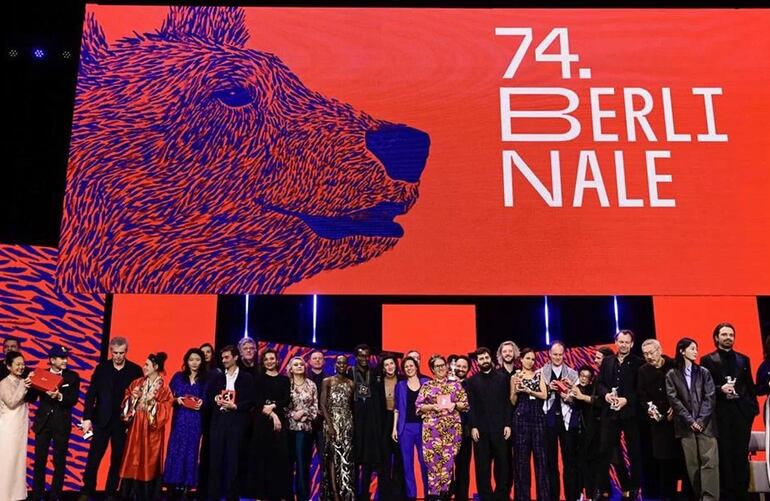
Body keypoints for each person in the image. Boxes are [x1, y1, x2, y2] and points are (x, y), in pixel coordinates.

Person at [80, 336, 143, 500]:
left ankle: (110, 493)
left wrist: (133, 420)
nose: (118, 356)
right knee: (94, 457)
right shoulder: (102, 368)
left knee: (117, 459)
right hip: (101, 420)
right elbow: (91, 393)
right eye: (115, 353)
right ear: (111, 351)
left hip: (122, 423)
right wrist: (87, 417)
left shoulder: (135, 370)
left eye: (121, 353)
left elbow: (139, 398)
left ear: (126, 352)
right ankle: (87, 490)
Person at [701, 322, 758, 501]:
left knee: (741, 454)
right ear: (716, 337)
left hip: (742, 414)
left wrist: (752, 409)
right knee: (724, 454)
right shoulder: (707, 360)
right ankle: (727, 493)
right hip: (721, 414)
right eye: (724, 334)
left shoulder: (743, 359)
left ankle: (743, 493)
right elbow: (705, 386)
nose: (728, 338)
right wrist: (720, 389)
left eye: (731, 335)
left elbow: (749, 386)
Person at [666, 338, 719, 501]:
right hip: (685, 426)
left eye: (696, 348)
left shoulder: (704, 372)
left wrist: (701, 421)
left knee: (710, 462)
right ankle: (699, 496)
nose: (696, 352)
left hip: (706, 425)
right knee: (692, 465)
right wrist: (690, 421)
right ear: (682, 351)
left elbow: (710, 397)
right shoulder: (672, 374)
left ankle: (709, 498)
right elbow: (673, 400)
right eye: (692, 348)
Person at [594, 330, 643, 501]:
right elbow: (599, 383)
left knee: (634, 452)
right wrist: (606, 394)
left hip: (630, 414)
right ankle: (602, 490)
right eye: (620, 341)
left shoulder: (638, 363)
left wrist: (626, 400)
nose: (623, 345)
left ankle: (635, 489)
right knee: (604, 451)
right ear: (616, 342)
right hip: (610, 413)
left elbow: (640, 390)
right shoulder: (607, 362)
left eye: (626, 342)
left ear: (632, 344)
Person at [118, 352, 174, 500]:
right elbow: (126, 404)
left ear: (155, 367)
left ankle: (146, 495)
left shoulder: (164, 389)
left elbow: (165, 409)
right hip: (136, 426)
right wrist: (133, 398)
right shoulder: (137, 383)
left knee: (149, 461)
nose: (144, 367)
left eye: (147, 365)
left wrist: (152, 403)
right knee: (132, 457)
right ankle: (129, 494)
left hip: (152, 430)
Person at [30, 345, 81, 501]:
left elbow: (73, 400)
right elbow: (32, 398)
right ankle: (38, 494)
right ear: (52, 360)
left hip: (61, 424)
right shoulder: (41, 374)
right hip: (43, 423)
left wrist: (59, 396)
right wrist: (30, 383)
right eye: (61, 358)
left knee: (59, 461)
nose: (65, 361)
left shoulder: (72, 377)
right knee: (39, 460)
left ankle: (55, 495)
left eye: (66, 358)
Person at [416, 354, 469, 500]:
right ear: (432, 369)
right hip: (432, 432)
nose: (441, 368)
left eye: (442, 365)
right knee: (433, 465)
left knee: (447, 465)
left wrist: (455, 405)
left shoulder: (455, 385)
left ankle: (445, 494)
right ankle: (433, 496)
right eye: (437, 366)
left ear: (447, 366)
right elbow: (419, 406)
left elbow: (465, 404)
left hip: (451, 432)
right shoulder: (427, 386)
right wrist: (433, 406)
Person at [206, 345, 255, 501]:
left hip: (237, 421)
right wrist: (215, 399)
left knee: (233, 461)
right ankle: (213, 496)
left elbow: (251, 401)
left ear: (235, 357)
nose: (224, 360)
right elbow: (209, 397)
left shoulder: (246, 378)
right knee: (215, 460)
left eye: (227, 357)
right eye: (222, 358)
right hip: (219, 421)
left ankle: (231, 497)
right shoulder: (217, 377)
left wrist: (236, 406)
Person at [637, 338, 683, 501]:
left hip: (679, 422)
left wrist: (676, 408)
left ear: (660, 350)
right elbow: (641, 395)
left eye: (651, 352)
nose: (649, 356)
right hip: (659, 424)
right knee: (664, 464)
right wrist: (649, 409)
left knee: (684, 462)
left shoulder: (674, 364)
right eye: (645, 354)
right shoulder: (643, 371)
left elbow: (684, 389)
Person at [466, 347, 511, 501]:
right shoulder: (472, 381)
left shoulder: (502, 377)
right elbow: (470, 406)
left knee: (502, 466)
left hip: (500, 429)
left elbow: (507, 403)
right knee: (482, 468)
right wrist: (473, 427)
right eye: (481, 359)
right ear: (477, 362)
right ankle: (486, 497)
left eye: (486, 357)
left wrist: (508, 424)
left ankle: (501, 496)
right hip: (481, 431)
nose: (484, 360)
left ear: (490, 358)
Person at [163, 348, 207, 497]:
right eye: (191, 359)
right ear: (186, 361)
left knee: (191, 451)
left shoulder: (206, 379)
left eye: (198, 359)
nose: (194, 363)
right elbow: (167, 396)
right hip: (180, 418)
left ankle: (188, 486)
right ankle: (172, 484)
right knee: (176, 449)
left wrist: (203, 402)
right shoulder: (178, 377)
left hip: (195, 420)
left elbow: (210, 398)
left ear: (202, 362)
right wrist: (177, 400)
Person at [250, 348, 292, 500]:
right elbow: (257, 400)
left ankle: (277, 494)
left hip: (279, 421)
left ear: (277, 361)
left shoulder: (284, 380)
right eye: (266, 359)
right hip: (262, 421)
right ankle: (260, 494)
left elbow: (286, 399)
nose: (269, 361)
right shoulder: (258, 379)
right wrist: (272, 414)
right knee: (262, 456)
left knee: (279, 458)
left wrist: (273, 407)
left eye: (272, 359)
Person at [510, 347, 550, 501]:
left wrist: (529, 391)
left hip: (537, 416)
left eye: (533, 359)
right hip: (520, 416)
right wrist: (516, 390)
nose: (530, 361)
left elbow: (544, 395)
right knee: (521, 461)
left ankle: (544, 497)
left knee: (541, 459)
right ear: (521, 359)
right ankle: (522, 497)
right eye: (528, 358)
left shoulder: (539, 375)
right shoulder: (515, 376)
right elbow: (512, 400)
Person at [541, 341, 579, 501]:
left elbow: (578, 399)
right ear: (549, 354)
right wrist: (548, 389)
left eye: (560, 354)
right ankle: (553, 497)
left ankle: (572, 497)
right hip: (548, 420)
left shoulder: (573, 374)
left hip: (568, 421)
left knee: (570, 461)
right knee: (550, 462)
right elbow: (536, 397)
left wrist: (569, 395)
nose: (557, 357)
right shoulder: (541, 373)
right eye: (554, 354)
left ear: (564, 354)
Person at [351, 344, 385, 500]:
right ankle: (352, 492)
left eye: (366, 355)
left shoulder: (375, 373)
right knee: (353, 460)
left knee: (367, 461)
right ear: (356, 356)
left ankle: (364, 494)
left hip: (370, 423)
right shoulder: (349, 373)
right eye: (361, 356)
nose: (364, 358)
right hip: (354, 421)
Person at [394, 356, 430, 501]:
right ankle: (411, 495)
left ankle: (429, 494)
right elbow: (397, 408)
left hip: (424, 428)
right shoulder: (400, 385)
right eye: (406, 367)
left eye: (411, 365)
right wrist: (394, 429)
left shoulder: (426, 383)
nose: (409, 368)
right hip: (405, 428)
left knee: (425, 463)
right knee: (407, 465)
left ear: (416, 367)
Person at [321, 354, 355, 501]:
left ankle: (345, 492)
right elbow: (322, 404)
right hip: (332, 421)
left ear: (347, 366)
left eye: (344, 363)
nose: (341, 365)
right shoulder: (327, 381)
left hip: (347, 423)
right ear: (335, 364)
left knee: (346, 459)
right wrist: (330, 425)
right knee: (332, 457)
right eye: (339, 363)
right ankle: (334, 493)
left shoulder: (351, 383)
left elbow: (352, 406)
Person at [0, 351, 32, 501]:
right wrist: (24, 386)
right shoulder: (4, 383)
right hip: (8, 428)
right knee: (7, 461)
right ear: (8, 366)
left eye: (23, 364)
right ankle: (4, 495)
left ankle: (16, 495)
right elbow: (11, 402)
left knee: (18, 461)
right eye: (17, 364)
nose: (21, 367)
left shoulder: (23, 381)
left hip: (19, 428)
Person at [286, 356, 319, 501]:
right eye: (296, 365)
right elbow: (282, 405)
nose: (299, 366)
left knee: (302, 464)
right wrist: (293, 414)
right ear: (290, 369)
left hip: (304, 429)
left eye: (301, 364)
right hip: (287, 428)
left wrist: (305, 413)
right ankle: (286, 496)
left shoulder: (311, 385)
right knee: (286, 464)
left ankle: (302, 497)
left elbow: (315, 407)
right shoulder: (286, 384)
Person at [570, 365, 603, 499]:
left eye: (586, 377)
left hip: (592, 432)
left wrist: (581, 396)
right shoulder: (575, 388)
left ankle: (592, 493)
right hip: (578, 431)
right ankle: (580, 494)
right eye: (581, 376)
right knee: (579, 464)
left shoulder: (594, 389)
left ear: (591, 379)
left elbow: (599, 404)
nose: (583, 379)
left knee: (592, 464)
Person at [380, 353, 405, 501]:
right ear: (383, 368)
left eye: (392, 363)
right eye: (386, 365)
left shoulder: (402, 380)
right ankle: (384, 495)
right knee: (385, 459)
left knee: (399, 458)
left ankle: (399, 494)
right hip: (384, 421)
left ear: (396, 365)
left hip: (399, 420)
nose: (390, 366)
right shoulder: (378, 381)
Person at [450, 355, 472, 501]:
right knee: (445, 468)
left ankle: (461, 497)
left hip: (465, 431)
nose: (461, 369)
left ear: (468, 370)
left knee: (463, 468)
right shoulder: (444, 384)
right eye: (459, 366)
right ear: (453, 366)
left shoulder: (472, 385)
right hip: (446, 432)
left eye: (464, 367)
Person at [307, 350, 328, 481]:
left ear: (324, 361)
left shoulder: (329, 379)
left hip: (323, 424)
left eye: (320, 358)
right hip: (307, 423)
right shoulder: (304, 378)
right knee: (304, 458)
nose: (317, 360)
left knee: (324, 459)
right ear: (310, 361)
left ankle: (325, 492)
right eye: (314, 358)